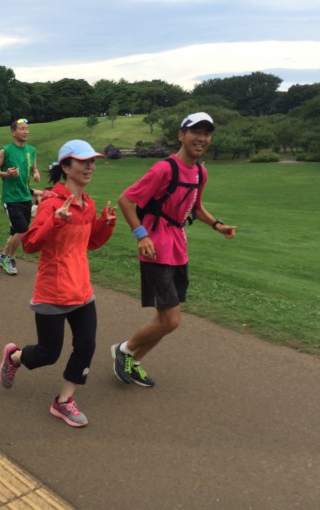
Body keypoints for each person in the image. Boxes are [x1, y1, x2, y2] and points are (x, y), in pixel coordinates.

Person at [0, 140, 117, 427]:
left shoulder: (88, 204)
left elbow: (91, 244)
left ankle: (63, 401)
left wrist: (105, 225)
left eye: (92, 161)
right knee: (47, 354)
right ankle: (14, 357)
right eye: (82, 161)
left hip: (82, 290)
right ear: (66, 167)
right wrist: (56, 222)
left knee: (86, 345)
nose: (89, 166)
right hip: (52, 292)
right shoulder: (52, 203)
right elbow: (29, 245)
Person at [113, 112, 236, 387]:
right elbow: (126, 200)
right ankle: (124, 351)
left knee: (165, 318)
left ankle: (133, 359)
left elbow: (195, 207)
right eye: (196, 132)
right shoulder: (164, 169)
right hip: (155, 247)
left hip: (178, 247)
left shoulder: (200, 172)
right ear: (181, 135)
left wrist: (217, 225)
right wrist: (141, 235)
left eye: (207, 133)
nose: (201, 138)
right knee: (171, 319)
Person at [0, 118, 40, 275]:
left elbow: (33, 169)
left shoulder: (31, 150)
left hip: (25, 197)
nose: (25, 131)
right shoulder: (6, 150)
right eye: (22, 129)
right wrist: (7, 174)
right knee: (22, 230)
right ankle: (10, 258)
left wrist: (36, 174)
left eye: (27, 128)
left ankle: (3, 256)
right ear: (13, 132)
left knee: (15, 232)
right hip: (11, 198)